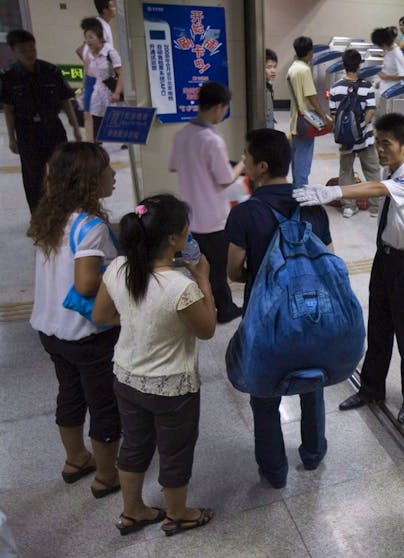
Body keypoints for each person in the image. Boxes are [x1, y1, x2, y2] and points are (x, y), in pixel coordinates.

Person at [293, 114, 404, 424]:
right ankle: (371, 388)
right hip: (384, 260)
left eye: (386, 143)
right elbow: (380, 185)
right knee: (379, 327)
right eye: (377, 142)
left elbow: (380, 189)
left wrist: (335, 192)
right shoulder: (391, 170)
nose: (380, 149)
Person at [92, 194, 216, 536]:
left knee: (134, 444)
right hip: (172, 388)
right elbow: (206, 329)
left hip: (127, 378)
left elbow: (101, 315)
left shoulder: (119, 267)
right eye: (187, 230)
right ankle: (178, 514)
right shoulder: (181, 287)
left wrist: (138, 318)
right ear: (175, 239)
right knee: (175, 452)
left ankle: (132, 511)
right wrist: (203, 277)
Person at [225, 128, 334, 488]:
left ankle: (274, 471)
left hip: (265, 316)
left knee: (265, 393)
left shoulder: (244, 215)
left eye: (247, 159)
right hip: (310, 313)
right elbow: (330, 260)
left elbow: (233, 271)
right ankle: (314, 452)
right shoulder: (312, 206)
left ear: (261, 167)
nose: (244, 165)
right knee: (311, 382)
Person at [27, 142, 120, 500]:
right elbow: (85, 282)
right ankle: (107, 476)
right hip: (87, 333)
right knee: (104, 403)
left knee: (69, 392)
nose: (113, 175)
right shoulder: (91, 226)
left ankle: (76, 459)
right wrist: (119, 268)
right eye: (107, 170)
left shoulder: (51, 218)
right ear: (89, 181)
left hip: (50, 328)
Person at [169, 81, 244, 324]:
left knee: (199, 264)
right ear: (219, 107)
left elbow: (173, 165)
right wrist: (243, 164)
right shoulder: (212, 139)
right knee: (217, 270)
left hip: (191, 218)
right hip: (214, 218)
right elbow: (224, 180)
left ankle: (205, 303)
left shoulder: (183, 134)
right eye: (225, 108)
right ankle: (224, 309)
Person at [1, 30, 82, 215]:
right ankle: (38, 218)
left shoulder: (50, 71)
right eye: (23, 51)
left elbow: (65, 101)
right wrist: (12, 138)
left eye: (32, 49)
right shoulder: (9, 77)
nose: (29, 54)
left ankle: (65, 213)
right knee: (33, 177)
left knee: (63, 171)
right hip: (27, 131)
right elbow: (9, 109)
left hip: (52, 127)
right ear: (13, 51)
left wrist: (75, 127)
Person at [330, 49, 380, 219]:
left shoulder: (335, 88)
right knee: (372, 170)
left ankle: (348, 207)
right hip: (365, 138)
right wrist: (360, 128)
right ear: (359, 65)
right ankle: (375, 208)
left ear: (343, 65)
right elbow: (371, 111)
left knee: (346, 172)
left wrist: (345, 132)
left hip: (345, 139)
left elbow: (334, 115)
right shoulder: (367, 86)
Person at [287, 36, 332, 188]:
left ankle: (295, 189)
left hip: (295, 120)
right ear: (310, 52)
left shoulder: (292, 68)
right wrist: (323, 117)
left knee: (296, 158)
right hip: (306, 122)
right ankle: (301, 194)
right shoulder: (304, 70)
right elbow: (311, 96)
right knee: (303, 162)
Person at [80, 17, 123, 141]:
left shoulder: (110, 52)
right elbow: (89, 72)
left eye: (91, 37)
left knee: (116, 122)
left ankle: (125, 143)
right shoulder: (89, 53)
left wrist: (117, 93)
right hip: (98, 91)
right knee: (96, 120)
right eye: (86, 37)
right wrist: (83, 89)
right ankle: (97, 147)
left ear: (100, 37)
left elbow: (121, 74)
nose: (88, 41)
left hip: (111, 91)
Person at [264, 48, 278, 129]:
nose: (273, 71)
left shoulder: (269, 85)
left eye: (275, 67)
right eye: (269, 67)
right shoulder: (262, 90)